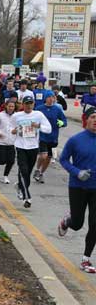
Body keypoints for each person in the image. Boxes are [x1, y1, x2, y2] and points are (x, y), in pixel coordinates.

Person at [58, 109, 96, 273]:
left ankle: (86, 259)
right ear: (86, 120)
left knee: (95, 224)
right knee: (78, 224)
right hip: (78, 186)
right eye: (93, 117)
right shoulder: (75, 140)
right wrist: (77, 172)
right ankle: (67, 221)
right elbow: (63, 159)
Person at [12, 96, 52, 208]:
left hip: (33, 147)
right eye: (26, 103)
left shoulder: (38, 115)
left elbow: (49, 129)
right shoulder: (17, 116)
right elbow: (10, 128)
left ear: (33, 104)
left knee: (27, 173)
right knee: (23, 170)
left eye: (31, 103)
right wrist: (14, 131)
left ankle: (20, 186)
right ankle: (27, 197)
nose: (29, 105)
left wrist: (39, 126)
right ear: (22, 105)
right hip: (20, 146)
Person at [34, 92, 67, 184]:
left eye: (53, 97)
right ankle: (37, 169)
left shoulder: (57, 109)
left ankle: (41, 173)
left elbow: (64, 121)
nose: (51, 99)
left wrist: (62, 123)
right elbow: (33, 120)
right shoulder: (39, 109)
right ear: (45, 98)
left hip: (53, 138)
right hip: (42, 136)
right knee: (43, 155)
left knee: (49, 157)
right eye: (49, 97)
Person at [0, 100, 18, 184]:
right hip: (1, 141)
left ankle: (5, 176)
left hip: (11, 142)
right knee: (2, 160)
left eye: (12, 106)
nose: (10, 108)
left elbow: (19, 126)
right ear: (6, 106)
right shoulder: (1, 115)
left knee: (11, 161)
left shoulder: (17, 116)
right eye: (9, 106)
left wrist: (17, 131)